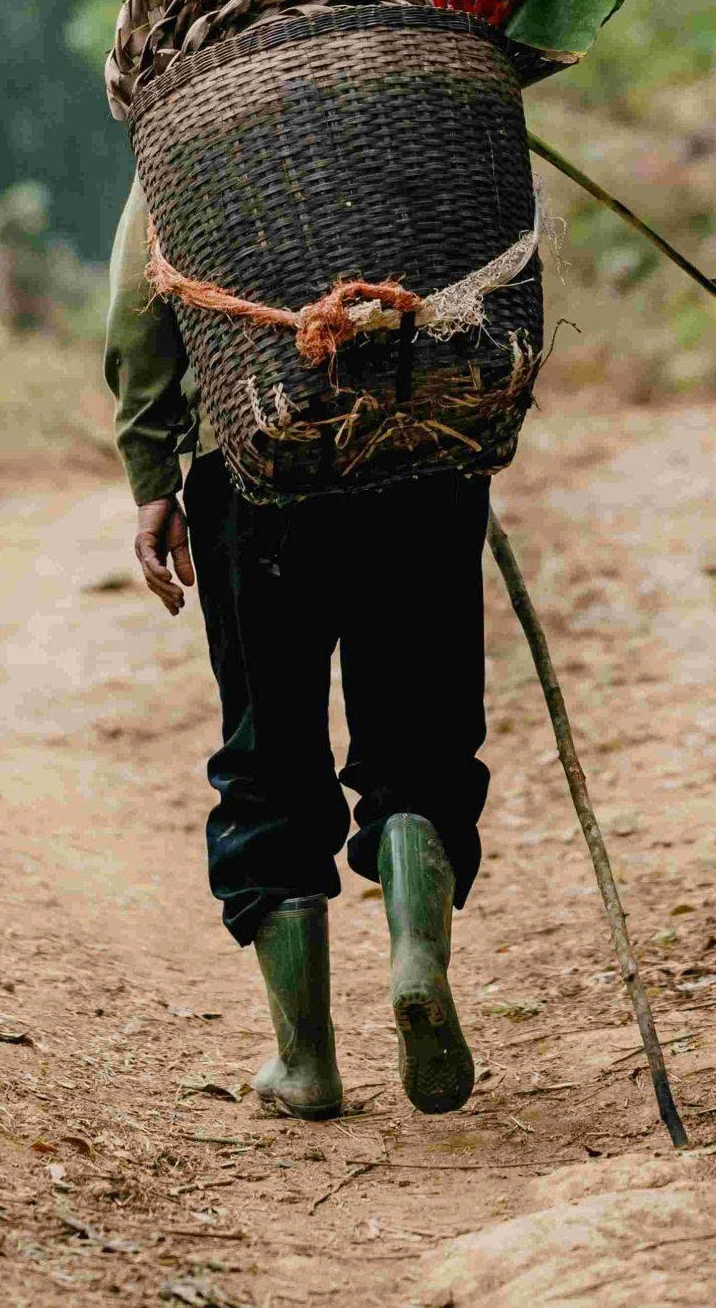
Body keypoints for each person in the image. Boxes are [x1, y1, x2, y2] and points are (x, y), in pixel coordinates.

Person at [103, 178, 491, 1119]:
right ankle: (414, 957)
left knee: (269, 748)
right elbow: (495, 252)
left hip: (249, 457)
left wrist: (153, 469)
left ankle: (306, 1063)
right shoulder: (422, 82)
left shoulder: (194, 106)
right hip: (421, 448)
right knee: (419, 735)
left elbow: (138, 306)